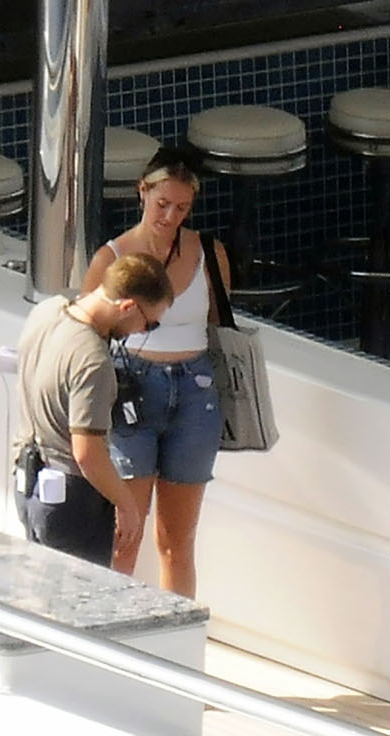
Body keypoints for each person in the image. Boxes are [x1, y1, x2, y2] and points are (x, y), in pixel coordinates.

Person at [80, 145, 232, 599]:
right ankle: (108, 626)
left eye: (182, 208)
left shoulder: (208, 252)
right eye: (163, 203)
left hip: (195, 391)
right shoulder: (111, 257)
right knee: (123, 532)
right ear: (142, 192)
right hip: (132, 386)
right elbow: (87, 328)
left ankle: (175, 631)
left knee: (176, 540)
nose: (170, 217)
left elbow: (219, 325)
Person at [12, 253, 174, 567]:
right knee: (77, 594)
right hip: (71, 502)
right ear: (128, 307)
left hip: (28, 484)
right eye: (149, 324)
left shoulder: (47, 311)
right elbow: (87, 453)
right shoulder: (93, 360)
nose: (142, 331)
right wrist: (126, 505)